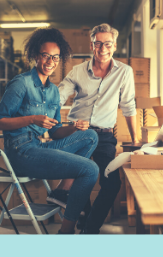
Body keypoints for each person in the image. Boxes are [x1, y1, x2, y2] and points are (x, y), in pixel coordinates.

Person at [0, 28, 99, 234]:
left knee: (90, 136)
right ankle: (66, 231)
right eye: (46, 56)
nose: (51, 61)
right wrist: (32, 119)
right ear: (35, 56)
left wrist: (73, 127)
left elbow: (56, 131)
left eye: (55, 58)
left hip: (39, 146)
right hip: (21, 151)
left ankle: (61, 192)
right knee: (90, 170)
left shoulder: (52, 91)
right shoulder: (21, 83)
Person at [51, 23, 138, 234]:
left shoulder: (124, 72)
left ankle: (89, 227)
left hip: (105, 136)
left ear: (114, 46)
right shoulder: (78, 71)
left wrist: (135, 140)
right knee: (83, 179)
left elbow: (128, 106)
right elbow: (59, 96)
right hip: (78, 134)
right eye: (98, 44)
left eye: (107, 44)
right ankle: (82, 222)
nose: (102, 49)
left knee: (111, 185)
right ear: (92, 45)